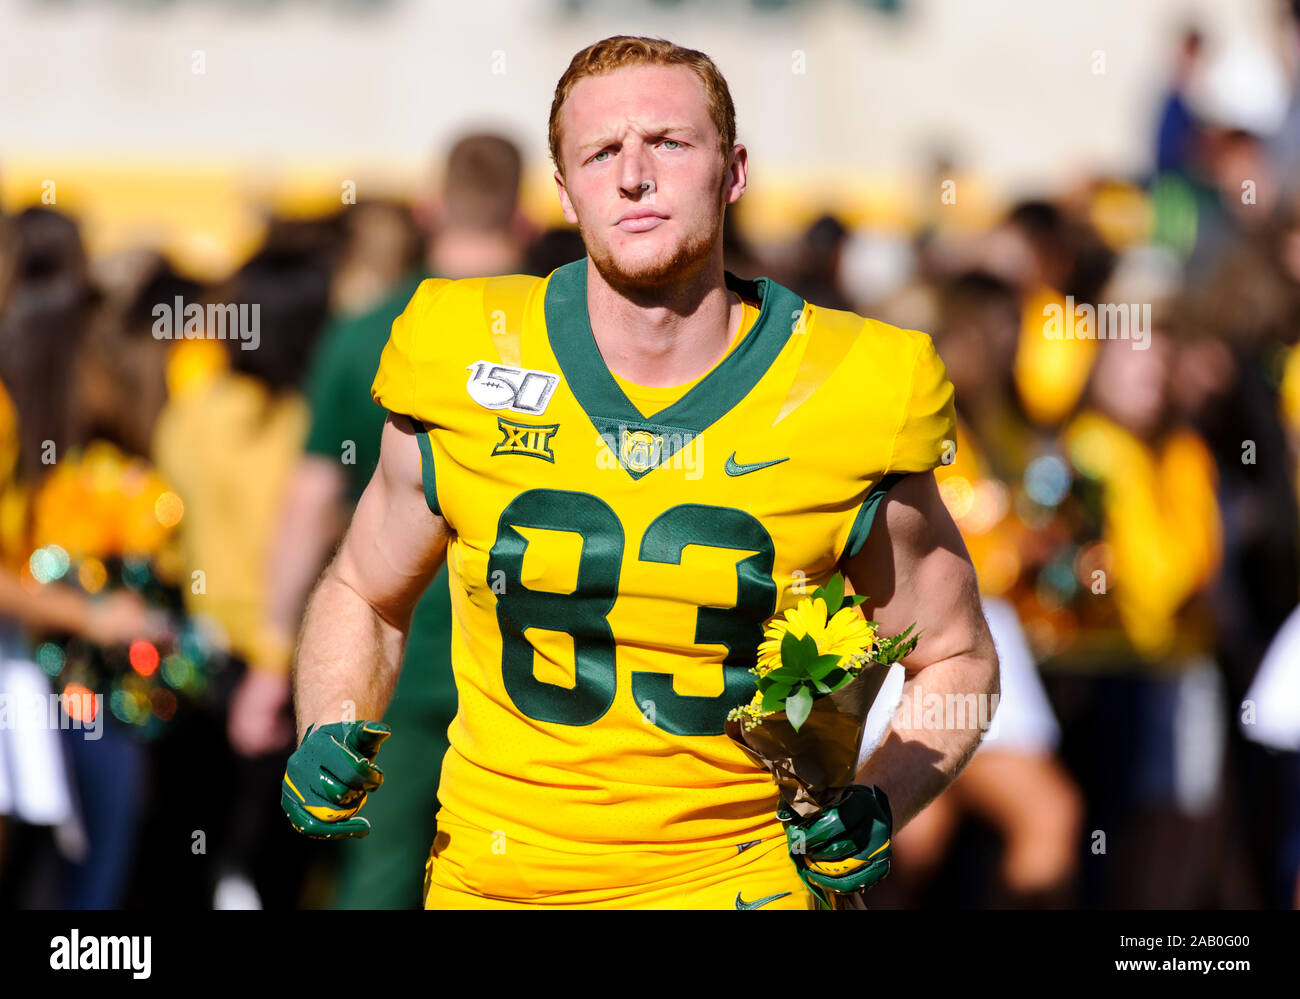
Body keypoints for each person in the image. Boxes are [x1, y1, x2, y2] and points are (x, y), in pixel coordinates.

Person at [283, 34, 998, 910]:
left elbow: (957, 655)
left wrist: (878, 800)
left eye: (667, 142)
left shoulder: (852, 387)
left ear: (733, 171)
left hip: (739, 885)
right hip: (496, 882)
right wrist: (328, 720)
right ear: (563, 190)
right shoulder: (460, 351)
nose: (633, 175)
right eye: (600, 153)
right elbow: (364, 588)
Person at [238, 133, 529, 909]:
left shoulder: (372, 328)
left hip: (392, 656)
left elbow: (309, 503)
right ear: (526, 214)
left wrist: (273, 658)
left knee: (378, 880)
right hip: (537, 665)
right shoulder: (562, 330)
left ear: (432, 209)